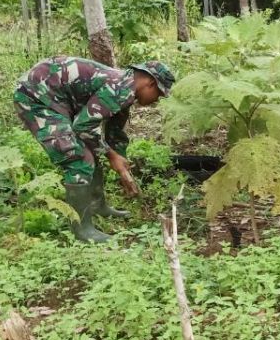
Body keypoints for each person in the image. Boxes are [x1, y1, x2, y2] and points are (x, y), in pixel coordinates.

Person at [14, 56, 175, 243]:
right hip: (36, 98)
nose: (156, 100)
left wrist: (122, 168)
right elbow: (83, 127)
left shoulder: (126, 89)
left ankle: (97, 206)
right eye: (159, 94)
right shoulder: (119, 88)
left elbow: (115, 134)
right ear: (149, 83)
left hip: (57, 99)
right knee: (79, 158)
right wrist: (112, 156)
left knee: (93, 148)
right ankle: (82, 229)